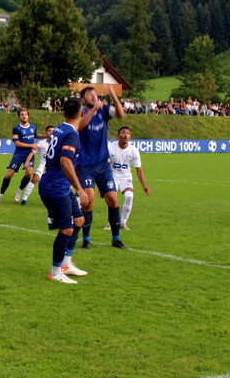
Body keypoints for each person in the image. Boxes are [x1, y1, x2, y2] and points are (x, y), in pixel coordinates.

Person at [38, 96, 89, 284]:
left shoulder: (60, 128)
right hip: (55, 186)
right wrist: (80, 189)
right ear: (82, 113)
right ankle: (56, 271)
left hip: (57, 184)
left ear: (63, 113)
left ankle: (66, 263)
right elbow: (65, 161)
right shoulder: (72, 134)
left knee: (79, 219)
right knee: (66, 230)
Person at [77, 86, 127, 249]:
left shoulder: (104, 110)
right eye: (89, 95)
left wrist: (113, 94)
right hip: (85, 165)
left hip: (103, 165)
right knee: (89, 201)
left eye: (95, 94)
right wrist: (93, 110)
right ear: (83, 100)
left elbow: (121, 115)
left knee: (113, 199)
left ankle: (116, 238)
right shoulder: (82, 112)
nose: (93, 96)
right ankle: (86, 239)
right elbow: (80, 126)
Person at [104, 127, 150, 231]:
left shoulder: (133, 151)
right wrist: (102, 184)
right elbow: (104, 165)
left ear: (130, 137)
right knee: (112, 198)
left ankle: (123, 222)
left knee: (129, 196)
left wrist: (144, 186)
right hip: (112, 176)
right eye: (123, 133)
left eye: (128, 133)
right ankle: (111, 222)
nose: (125, 135)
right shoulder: (110, 147)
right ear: (118, 136)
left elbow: (139, 170)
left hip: (125, 177)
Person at [0, 108, 40, 204]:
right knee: (9, 175)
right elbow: (17, 143)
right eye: (22, 114)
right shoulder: (17, 128)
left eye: (26, 114)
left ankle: (19, 192)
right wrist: (31, 145)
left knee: (29, 173)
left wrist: (47, 136)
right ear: (19, 117)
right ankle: (0, 195)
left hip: (29, 154)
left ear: (28, 116)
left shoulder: (33, 127)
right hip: (19, 154)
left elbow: (35, 135)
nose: (24, 116)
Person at [20, 125, 56, 205]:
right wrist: (27, 162)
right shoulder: (41, 143)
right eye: (49, 130)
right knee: (35, 179)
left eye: (53, 131)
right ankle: (24, 199)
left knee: (55, 184)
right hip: (43, 165)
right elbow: (32, 153)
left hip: (53, 167)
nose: (51, 132)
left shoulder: (58, 143)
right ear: (46, 132)